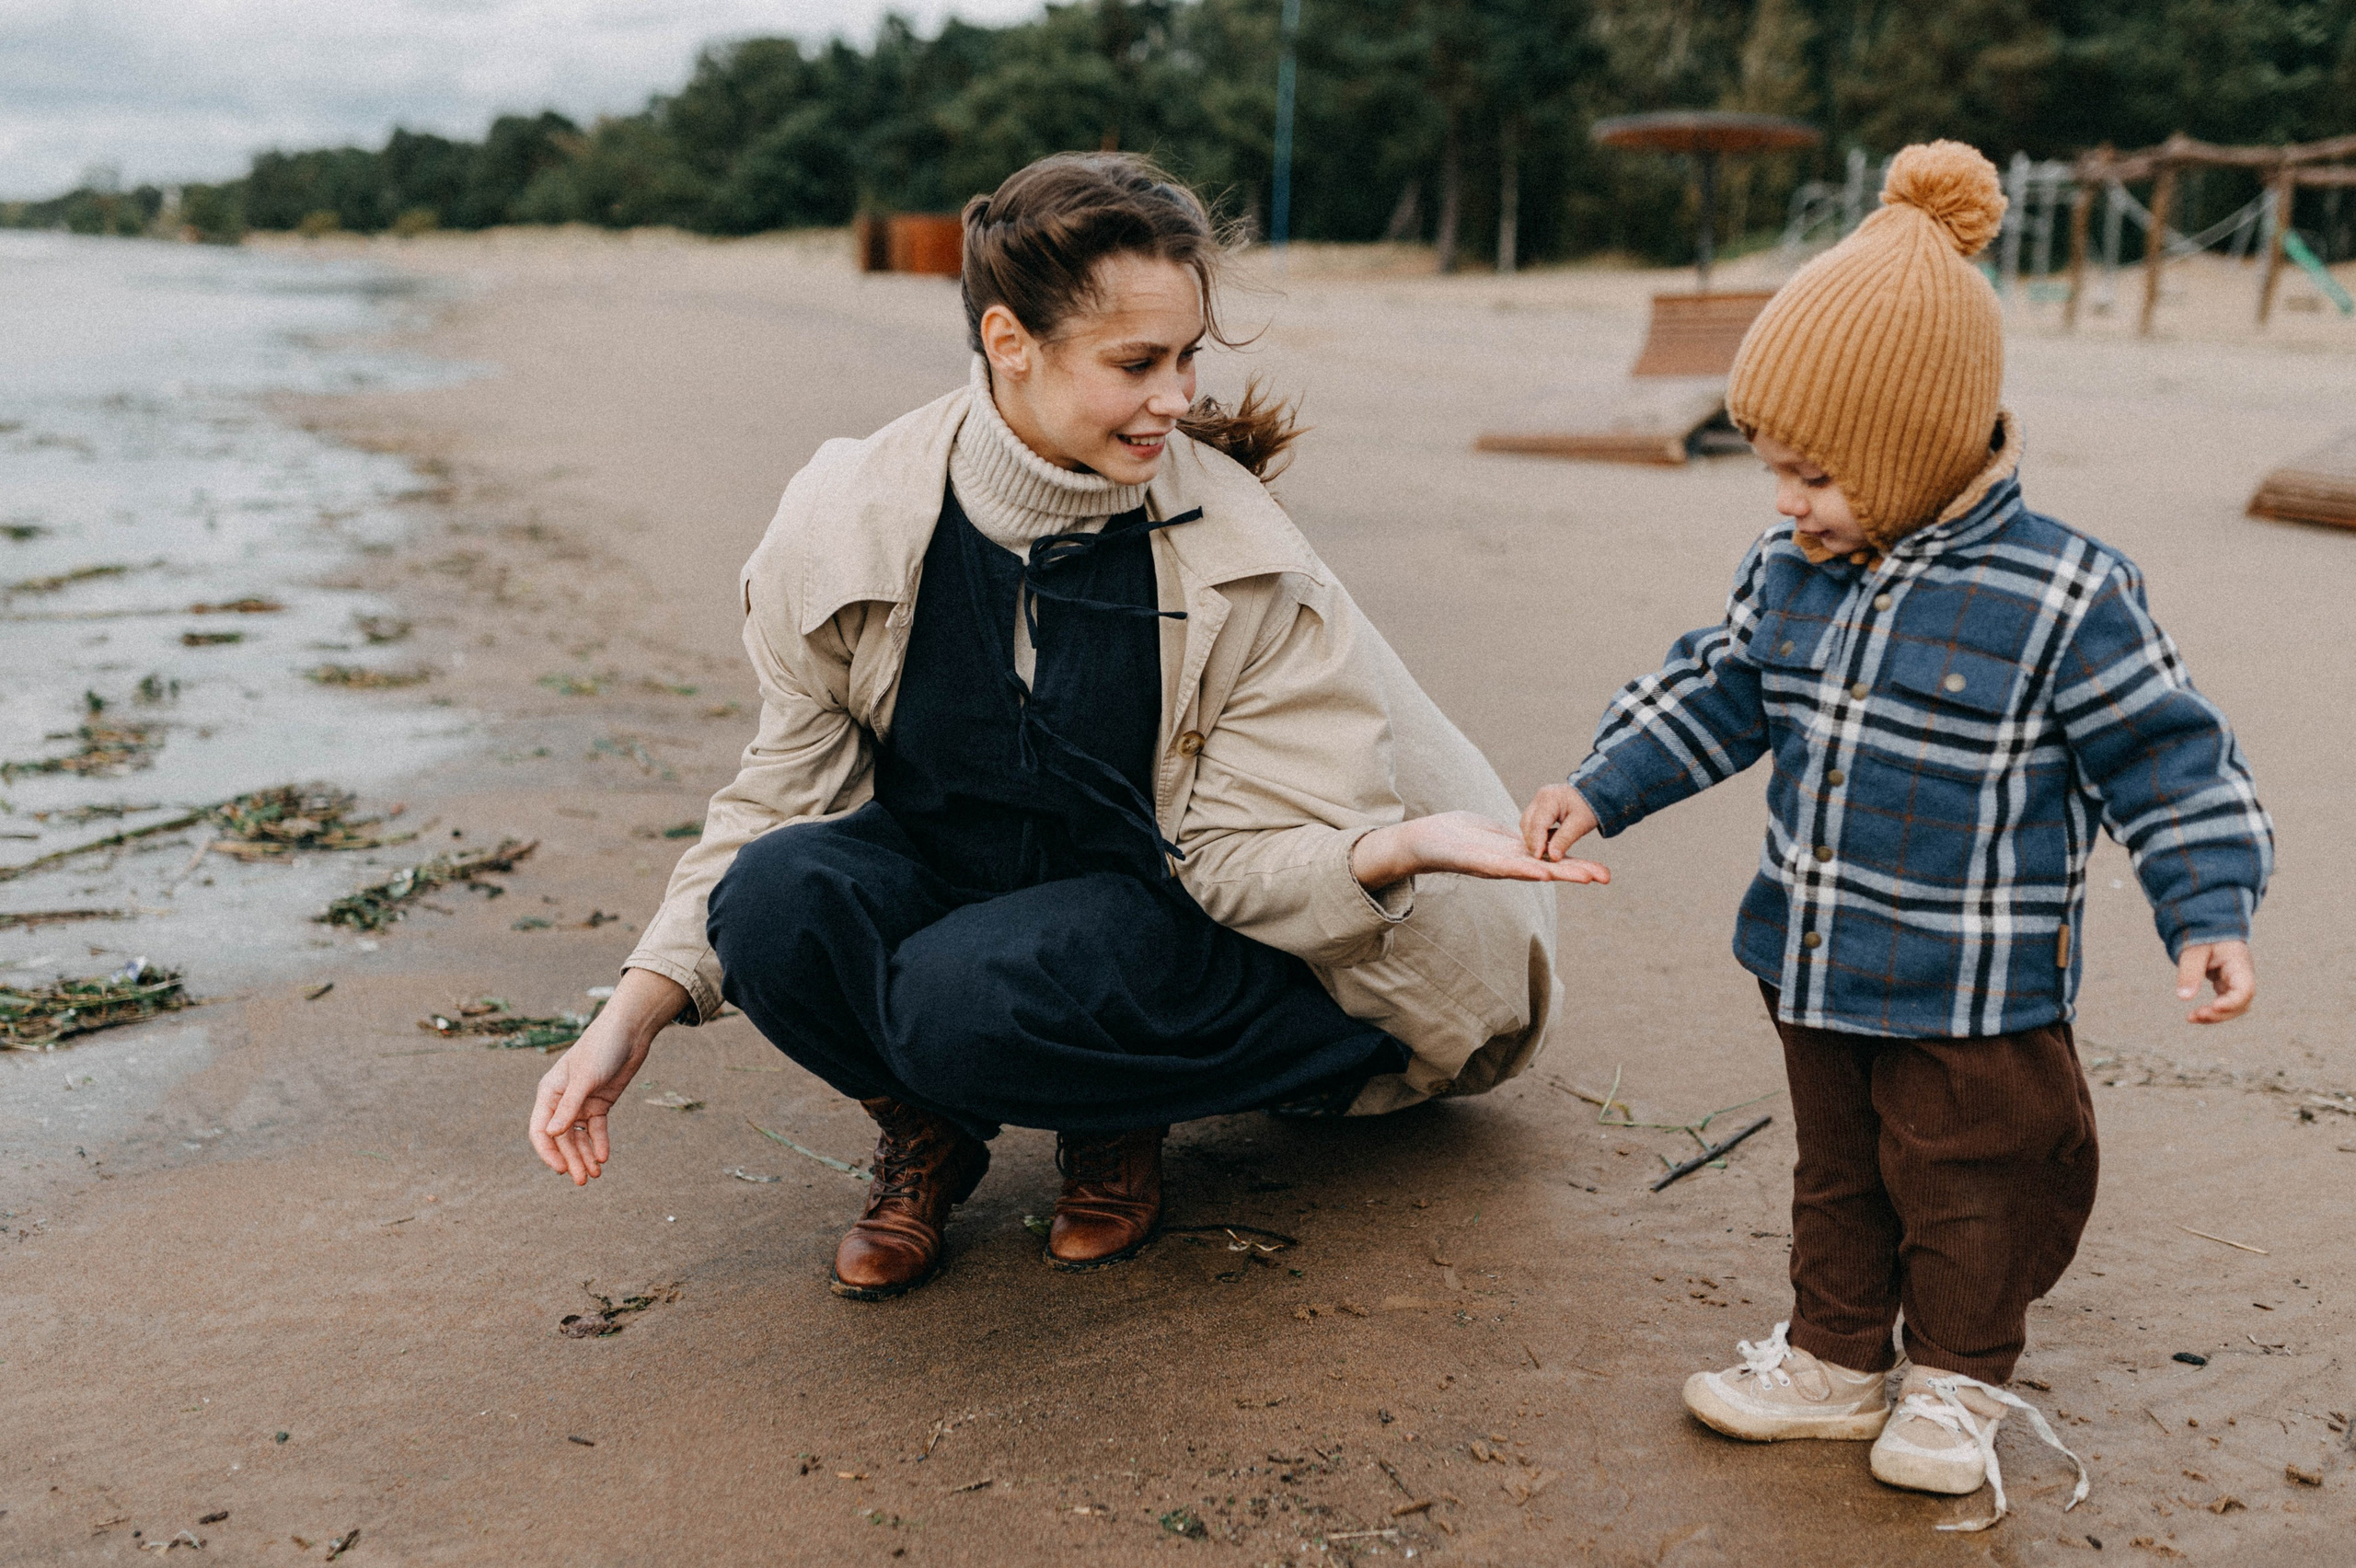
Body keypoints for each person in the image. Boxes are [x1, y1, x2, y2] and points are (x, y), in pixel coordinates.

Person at [529, 152, 1593, 1301]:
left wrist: (1396, 849)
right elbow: (778, 795)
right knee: (772, 901)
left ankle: (1117, 1119)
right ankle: (927, 1129)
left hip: (1183, 920)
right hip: (973, 883)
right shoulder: (849, 520)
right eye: (1136, 364)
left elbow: (1240, 859)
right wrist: (634, 1012)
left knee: (960, 994)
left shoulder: (1243, 563)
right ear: (1008, 343)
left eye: (1188, 358)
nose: (1179, 399)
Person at [1517, 142, 2272, 1526]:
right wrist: (1601, 780)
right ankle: (1835, 1359)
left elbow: (2169, 761)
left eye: (1813, 474)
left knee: (1972, 1184)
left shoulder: (2065, 596)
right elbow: (1718, 686)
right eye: (1771, 469)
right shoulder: (1792, 566)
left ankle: (1959, 1379)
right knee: (1840, 1175)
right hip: (1811, 959)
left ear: (1917, 446)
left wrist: (2209, 908)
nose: (1785, 504)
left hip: (1978, 989)